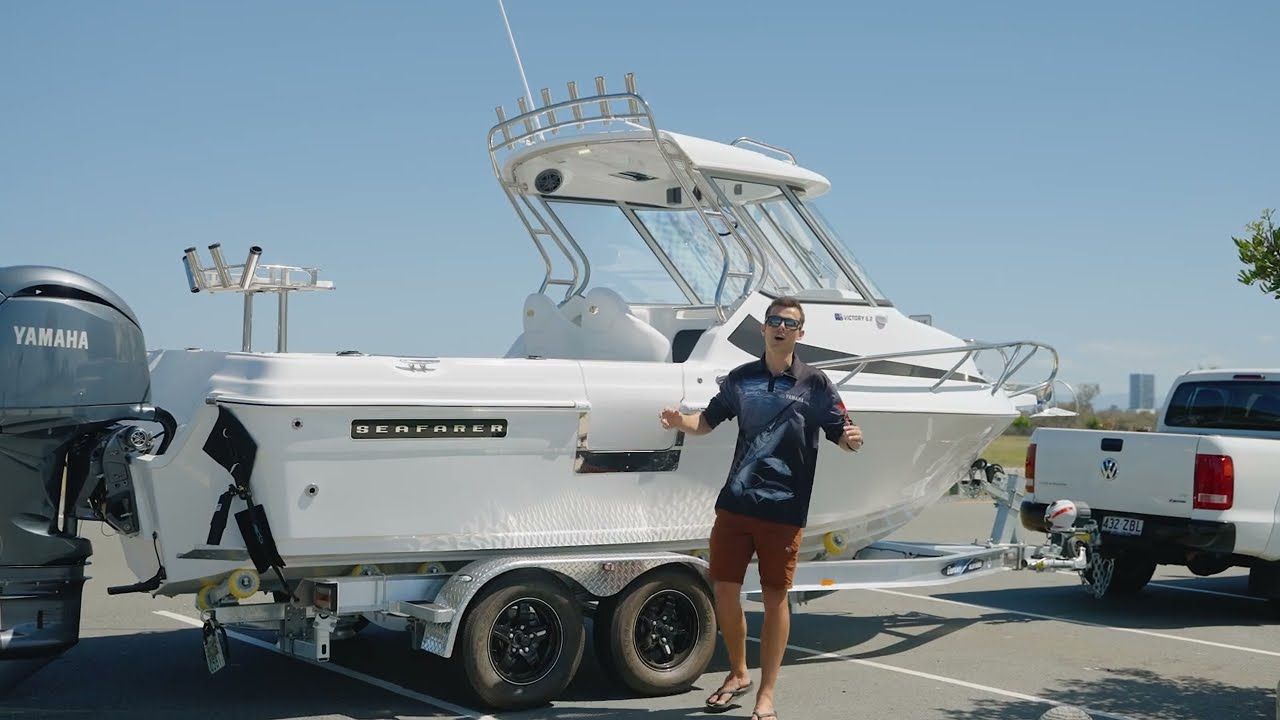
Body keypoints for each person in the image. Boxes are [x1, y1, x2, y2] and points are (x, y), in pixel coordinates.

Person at [659, 296, 863, 720]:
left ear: (800, 334)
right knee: (725, 593)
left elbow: (840, 432)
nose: (780, 327)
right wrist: (682, 421)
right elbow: (707, 423)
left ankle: (766, 696)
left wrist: (850, 440)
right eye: (774, 321)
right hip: (736, 505)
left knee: (775, 600)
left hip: (785, 512)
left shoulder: (816, 384)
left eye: (789, 323)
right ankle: (738, 673)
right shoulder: (740, 379)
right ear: (765, 329)